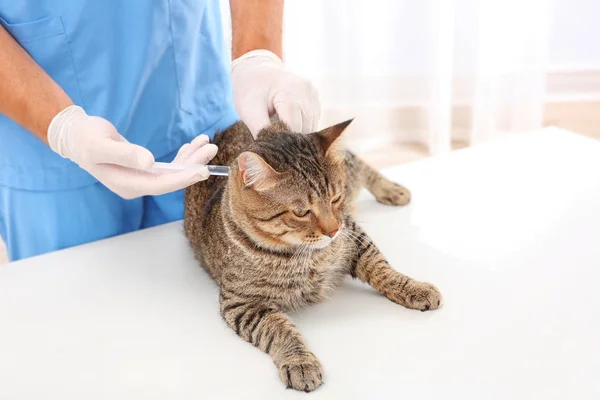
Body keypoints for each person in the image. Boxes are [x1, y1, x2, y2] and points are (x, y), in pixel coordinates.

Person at [0, 1, 320, 262]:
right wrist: (62, 127)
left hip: (196, 108)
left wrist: (257, 56)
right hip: (47, 152)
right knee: (79, 318)